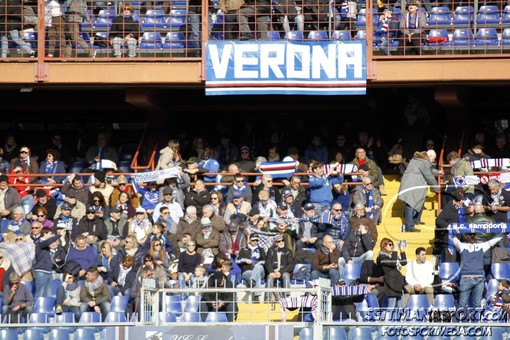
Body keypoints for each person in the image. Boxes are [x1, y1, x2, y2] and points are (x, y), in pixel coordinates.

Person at [453, 232, 504, 315]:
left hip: (479, 280)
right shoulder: (462, 246)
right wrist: (451, 230)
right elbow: (454, 239)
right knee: (462, 304)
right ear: (466, 236)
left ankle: (477, 325)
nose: (472, 236)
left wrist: (503, 231)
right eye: (470, 234)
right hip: (466, 279)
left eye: (474, 234)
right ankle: (459, 324)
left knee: (477, 305)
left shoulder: (481, 246)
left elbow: (493, 241)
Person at [397, 150, 440, 232]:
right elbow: (428, 176)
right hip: (412, 186)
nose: (434, 161)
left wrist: (438, 172)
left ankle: (416, 219)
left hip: (413, 185)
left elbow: (428, 171)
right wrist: (436, 188)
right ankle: (409, 227)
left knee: (419, 201)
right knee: (411, 205)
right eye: (433, 159)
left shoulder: (419, 160)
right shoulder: (423, 162)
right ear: (430, 156)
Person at [377, 238, 407, 309]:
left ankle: (399, 319)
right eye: (390, 245)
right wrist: (395, 251)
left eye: (393, 245)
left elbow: (404, 262)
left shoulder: (393, 256)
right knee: (391, 306)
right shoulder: (381, 257)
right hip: (391, 284)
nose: (392, 246)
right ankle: (388, 319)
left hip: (398, 283)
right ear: (384, 246)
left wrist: (401, 250)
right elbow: (393, 263)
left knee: (400, 308)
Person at [236, 233, 266, 300]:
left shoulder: (261, 250)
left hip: (260, 270)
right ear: (249, 240)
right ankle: (256, 297)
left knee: (259, 268)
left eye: (257, 240)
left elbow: (266, 261)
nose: (255, 242)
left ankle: (251, 282)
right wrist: (245, 260)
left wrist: (259, 263)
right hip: (247, 271)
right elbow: (236, 261)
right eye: (253, 240)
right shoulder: (243, 249)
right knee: (256, 276)